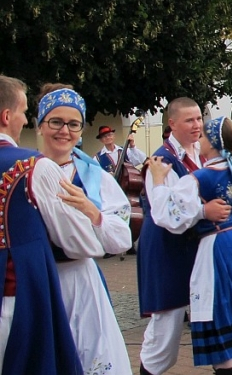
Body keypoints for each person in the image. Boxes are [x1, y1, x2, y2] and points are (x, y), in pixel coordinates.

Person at [148, 116, 232, 374]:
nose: (200, 141)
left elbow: (167, 215)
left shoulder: (198, 178)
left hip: (218, 249)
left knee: (220, 319)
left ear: (214, 142)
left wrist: (159, 182)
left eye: (204, 137)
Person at [0, 75, 101, 374]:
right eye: (22, 112)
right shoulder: (32, 166)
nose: (23, 120)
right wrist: (96, 222)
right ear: (7, 116)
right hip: (18, 297)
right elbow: (79, 241)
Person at [35, 85, 133, 374]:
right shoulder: (23, 172)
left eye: (73, 124)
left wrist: (92, 212)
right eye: (56, 122)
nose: (64, 130)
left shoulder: (94, 177)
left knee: (89, 354)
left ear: (80, 131)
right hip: (37, 280)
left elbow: (122, 240)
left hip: (80, 281)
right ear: (40, 125)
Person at [138, 97, 220, 375]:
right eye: (189, 120)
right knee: (167, 322)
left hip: (197, 247)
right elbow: (168, 215)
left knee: (214, 314)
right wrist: (203, 211)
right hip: (167, 247)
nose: (197, 125)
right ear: (172, 123)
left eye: (199, 119)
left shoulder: (203, 152)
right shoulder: (162, 161)